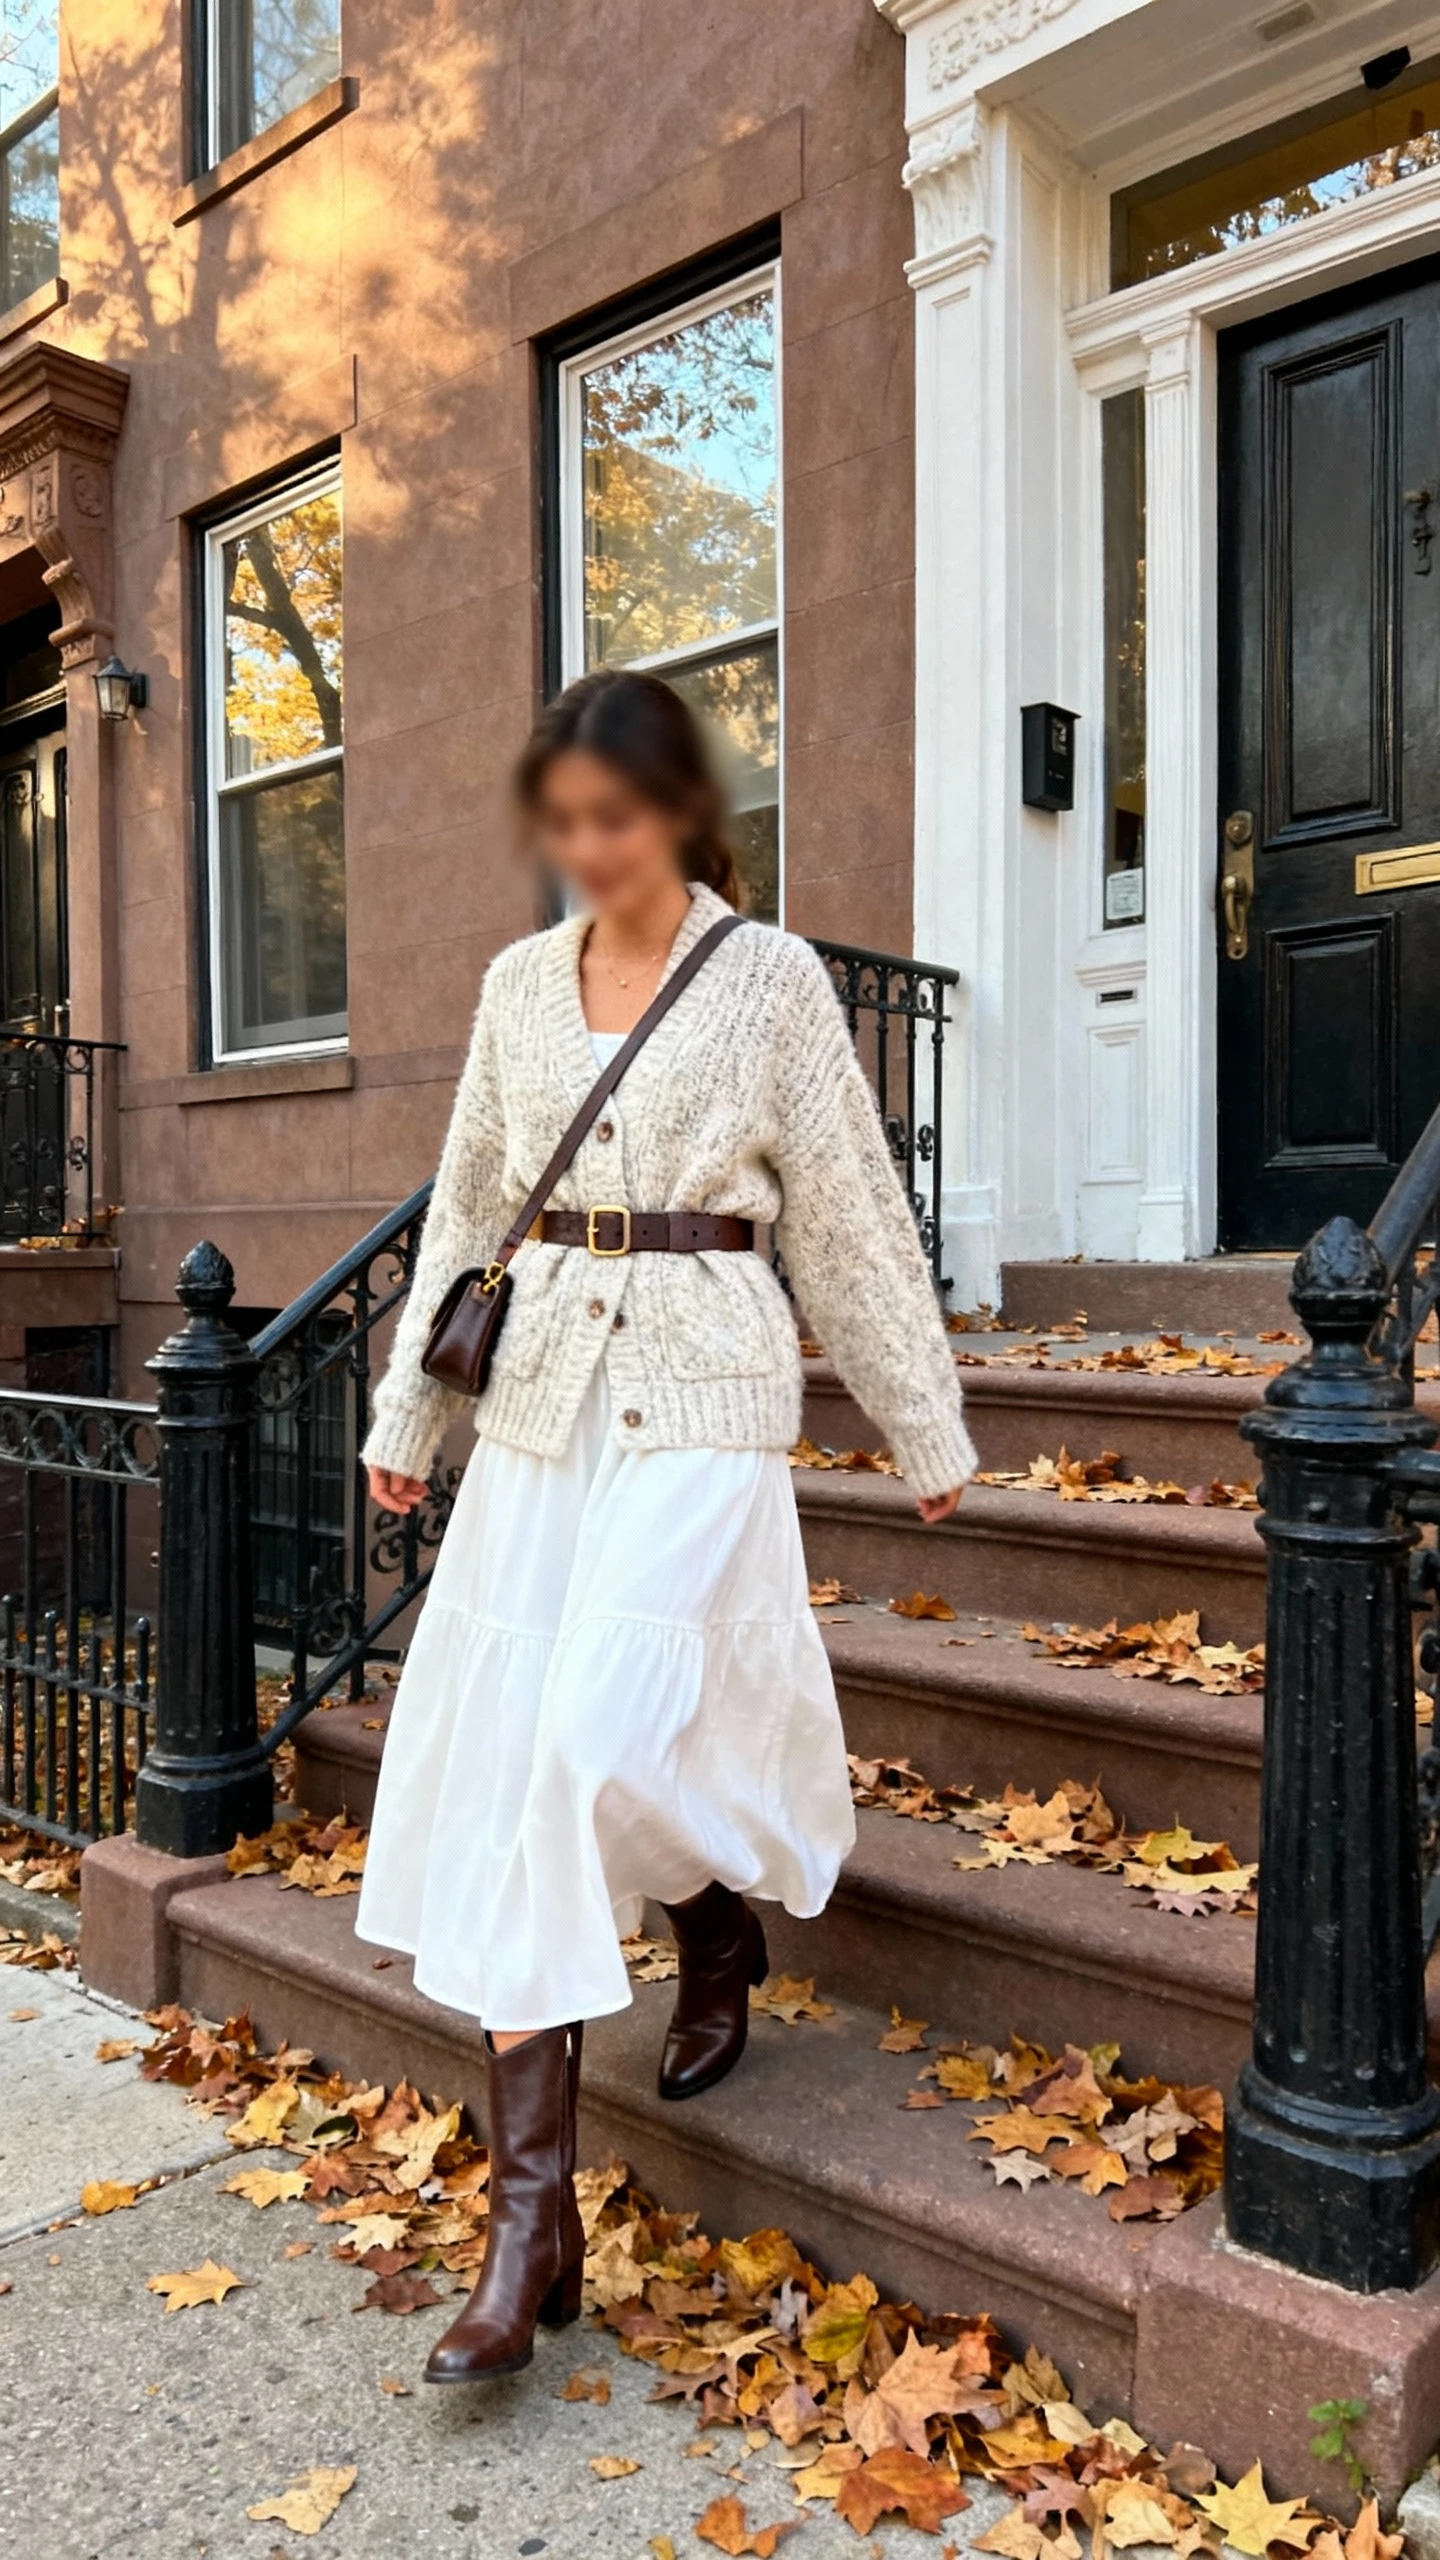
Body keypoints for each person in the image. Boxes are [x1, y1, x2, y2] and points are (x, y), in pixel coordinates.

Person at [356, 666, 976, 2386]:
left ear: (679, 813)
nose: (584, 852)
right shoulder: (512, 986)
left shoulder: (770, 982)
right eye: (559, 823)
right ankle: (535, 2216)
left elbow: (848, 1214)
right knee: (525, 1764)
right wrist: (413, 1411)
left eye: (612, 821)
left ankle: (697, 1931)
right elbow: (475, 1199)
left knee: (590, 1741)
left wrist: (921, 1420)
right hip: (546, 1390)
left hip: (704, 1388)